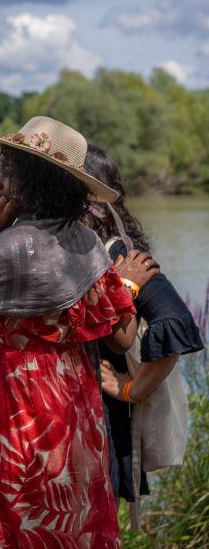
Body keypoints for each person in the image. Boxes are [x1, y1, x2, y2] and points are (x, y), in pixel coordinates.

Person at [0, 117, 137, 549]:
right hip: (75, 401)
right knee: (74, 523)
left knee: (21, 522)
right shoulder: (87, 243)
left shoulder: (11, 248)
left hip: (20, 404)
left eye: (8, 170)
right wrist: (127, 284)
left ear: (31, 178)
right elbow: (121, 335)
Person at [83, 144, 204, 522]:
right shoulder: (87, 250)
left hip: (105, 416)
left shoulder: (120, 254)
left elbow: (177, 323)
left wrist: (130, 388)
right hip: (84, 413)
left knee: (97, 532)